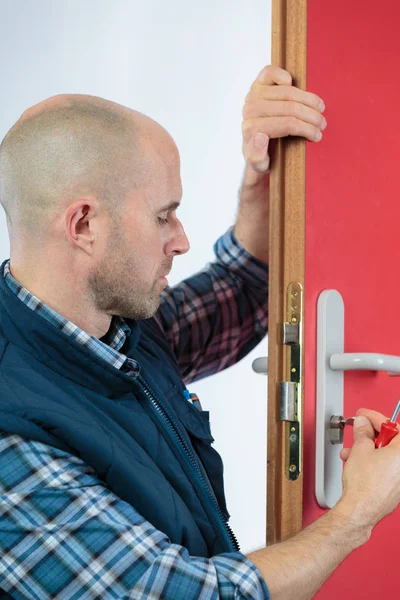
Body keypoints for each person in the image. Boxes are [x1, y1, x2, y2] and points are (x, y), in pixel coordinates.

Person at [0, 64, 398, 600]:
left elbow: (241, 289)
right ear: (83, 225)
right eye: (165, 216)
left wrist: (264, 170)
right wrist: (358, 514)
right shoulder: (12, 443)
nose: (181, 240)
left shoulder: (116, 330)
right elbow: (199, 595)